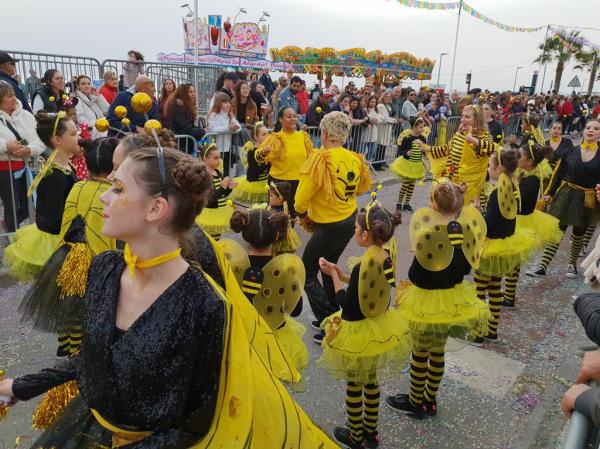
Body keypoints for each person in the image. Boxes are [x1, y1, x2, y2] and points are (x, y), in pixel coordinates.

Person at [0, 146, 339, 449]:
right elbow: (94, 358)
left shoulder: (204, 303)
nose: (104, 196)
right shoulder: (104, 268)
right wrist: (22, 386)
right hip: (90, 429)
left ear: (156, 208)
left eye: (118, 188)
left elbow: (195, 421)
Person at [389, 181, 490, 419]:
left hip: (426, 304)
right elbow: (466, 268)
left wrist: (423, 255)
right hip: (451, 302)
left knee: (420, 353)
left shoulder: (428, 235)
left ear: (433, 205)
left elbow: (415, 275)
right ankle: (430, 400)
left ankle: (415, 402)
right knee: (437, 353)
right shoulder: (462, 232)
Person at [318, 200, 410, 448]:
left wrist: (334, 277)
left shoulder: (363, 265)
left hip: (357, 332)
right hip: (377, 327)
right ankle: (371, 432)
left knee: (354, 385)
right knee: (371, 381)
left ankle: (355, 436)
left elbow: (347, 304)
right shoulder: (384, 254)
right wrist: (341, 272)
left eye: (356, 229)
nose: (354, 231)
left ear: (365, 234)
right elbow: (366, 286)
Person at [18, 137, 119, 357]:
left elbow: (68, 220)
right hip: (97, 259)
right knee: (83, 310)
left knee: (67, 303)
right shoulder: (112, 193)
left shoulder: (78, 187)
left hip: (67, 253)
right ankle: (77, 355)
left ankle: (66, 346)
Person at [294, 112, 371, 343]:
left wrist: (301, 212)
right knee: (328, 266)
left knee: (306, 272)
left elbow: (301, 197)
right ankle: (334, 311)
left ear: (325, 133)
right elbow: (360, 188)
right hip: (349, 219)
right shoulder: (354, 157)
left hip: (329, 225)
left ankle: (329, 321)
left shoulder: (321, 158)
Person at [229, 207, 308, 375]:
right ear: (277, 235)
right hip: (276, 335)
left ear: (244, 235)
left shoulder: (234, 268)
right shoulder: (286, 271)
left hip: (244, 337)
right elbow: (296, 311)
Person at [472, 149, 538, 345]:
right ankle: (492, 331)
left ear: (499, 168)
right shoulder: (512, 186)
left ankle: (477, 333)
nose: (488, 169)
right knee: (495, 290)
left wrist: (477, 212)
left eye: (490, 166)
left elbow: (488, 224)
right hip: (504, 246)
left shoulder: (496, 194)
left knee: (479, 291)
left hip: (490, 249)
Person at [3, 111, 79, 280]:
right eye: (73, 134)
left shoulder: (65, 167)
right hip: (58, 243)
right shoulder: (55, 176)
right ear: (57, 140)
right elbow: (54, 221)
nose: (78, 137)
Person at [528, 119, 600, 278]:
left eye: (595, 128)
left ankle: (572, 264)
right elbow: (558, 175)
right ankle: (542, 266)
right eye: (588, 127)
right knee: (557, 229)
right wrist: (550, 193)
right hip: (566, 194)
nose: (590, 130)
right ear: (584, 131)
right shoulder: (570, 152)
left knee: (579, 233)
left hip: (587, 198)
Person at [503, 143, 562, 308]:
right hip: (519, 219)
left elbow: (516, 202)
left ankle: (509, 297)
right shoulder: (525, 174)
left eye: (519, 156)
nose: (516, 157)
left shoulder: (531, 181)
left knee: (513, 260)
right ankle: (508, 294)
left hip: (520, 223)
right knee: (512, 260)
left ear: (529, 162)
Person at [419, 105, 495, 205]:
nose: (463, 119)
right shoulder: (460, 133)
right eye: (462, 116)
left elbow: (491, 148)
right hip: (453, 182)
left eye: (467, 117)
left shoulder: (482, 135)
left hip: (470, 187)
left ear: (477, 119)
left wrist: (472, 140)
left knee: (465, 212)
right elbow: (446, 149)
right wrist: (427, 148)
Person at [0, 81, 46, 232]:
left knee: (29, 206)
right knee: (12, 206)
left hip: (29, 167)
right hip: (5, 169)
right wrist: (6, 146)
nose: (14, 98)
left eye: (14, 94)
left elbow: (40, 139)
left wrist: (29, 149)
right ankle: (12, 237)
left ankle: (9, 226)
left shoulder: (26, 115)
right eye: (9, 96)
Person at [256, 106, 313, 217]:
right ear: (281, 119)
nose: (293, 119)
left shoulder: (303, 137)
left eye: (294, 116)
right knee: (277, 218)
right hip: (279, 183)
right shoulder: (275, 138)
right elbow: (258, 156)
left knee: (294, 216)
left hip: (299, 182)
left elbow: (311, 157)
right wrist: (263, 153)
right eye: (289, 116)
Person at [196, 143, 236, 240]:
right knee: (209, 238)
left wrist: (228, 188)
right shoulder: (205, 176)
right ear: (205, 159)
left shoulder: (217, 172)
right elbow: (209, 199)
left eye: (220, 157)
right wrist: (222, 188)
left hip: (219, 212)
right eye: (216, 158)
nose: (219, 161)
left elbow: (221, 195)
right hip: (210, 213)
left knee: (216, 238)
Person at [390, 117, 428, 212]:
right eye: (420, 127)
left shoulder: (422, 138)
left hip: (417, 165)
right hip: (407, 164)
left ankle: (406, 203)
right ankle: (399, 203)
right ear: (414, 127)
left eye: (423, 127)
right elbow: (400, 151)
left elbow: (424, 150)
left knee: (412, 185)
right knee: (405, 185)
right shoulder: (407, 138)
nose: (422, 129)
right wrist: (406, 153)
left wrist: (424, 152)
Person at [229, 121, 270, 205]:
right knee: (254, 207)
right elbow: (254, 170)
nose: (267, 137)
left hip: (266, 183)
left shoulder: (268, 149)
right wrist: (267, 162)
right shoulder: (252, 152)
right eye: (264, 134)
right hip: (255, 184)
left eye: (267, 134)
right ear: (256, 137)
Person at [206, 92, 241, 176]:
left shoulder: (230, 115)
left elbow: (238, 127)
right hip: (216, 147)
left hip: (227, 148)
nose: (228, 104)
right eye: (225, 102)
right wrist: (228, 128)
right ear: (219, 103)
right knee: (216, 169)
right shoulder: (213, 115)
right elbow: (213, 128)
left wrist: (235, 128)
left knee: (226, 170)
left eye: (229, 102)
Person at [164, 83, 205, 151]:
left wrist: (200, 129)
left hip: (184, 144)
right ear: (184, 94)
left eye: (194, 91)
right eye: (190, 92)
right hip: (182, 146)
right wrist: (203, 131)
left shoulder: (183, 107)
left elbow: (189, 126)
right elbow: (188, 130)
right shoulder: (180, 109)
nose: (194, 94)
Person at [268, 180, 301, 255]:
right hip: (283, 233)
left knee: (276, 255)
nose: (269, 198)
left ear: (280, 198)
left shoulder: (276, 214)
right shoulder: (284, 202)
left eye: (271, 196)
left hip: (278, 238)